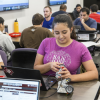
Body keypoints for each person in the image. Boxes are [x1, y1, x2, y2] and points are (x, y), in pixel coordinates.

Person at [34, 14, 98, 82]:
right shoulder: (46, 42)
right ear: (53, 31)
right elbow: (36, 68)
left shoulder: (80, 47)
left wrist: (70, 77)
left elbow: (94, 73)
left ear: (71, 30)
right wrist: (49, 65)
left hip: (68, 85)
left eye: (64, 32)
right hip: (46, 84)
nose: (61, 36)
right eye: (57, 33)